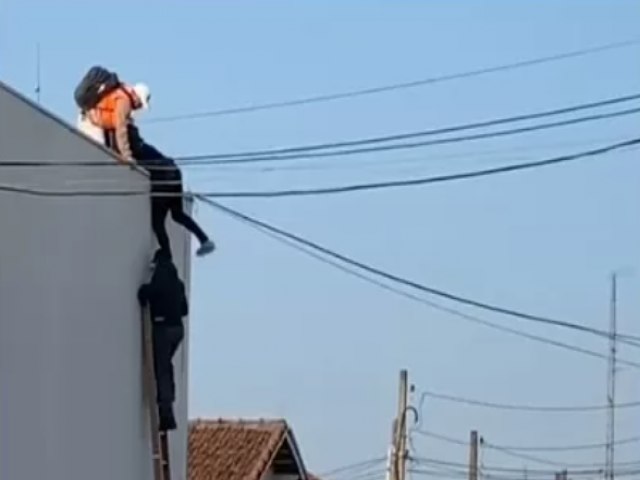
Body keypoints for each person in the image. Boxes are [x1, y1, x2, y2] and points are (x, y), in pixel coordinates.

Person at [128, 124, 215, 258]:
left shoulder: (135, 149)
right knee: (177, 214)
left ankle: (166, 253)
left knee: (158, 222)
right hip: (174, 172)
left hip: (163, 178)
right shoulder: (144, 146)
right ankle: (204, 239)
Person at [137, 249, 188, 431]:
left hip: (163, 328)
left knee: (162, 369)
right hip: (177, 329)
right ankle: (168, 403)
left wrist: (144, 292)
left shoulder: (161, 272)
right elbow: (184, 310)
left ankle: (166, 412)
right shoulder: (178, 282)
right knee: (166, 365)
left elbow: (153, 291)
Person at [84, 82, 151, 164]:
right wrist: (127, 156)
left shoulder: (122, 92)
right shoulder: (125, 101)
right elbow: (121, 129)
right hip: (91, 122)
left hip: (93, 119)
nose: (138, 107)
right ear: (138, 97)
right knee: (100, 155)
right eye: (140, 104)